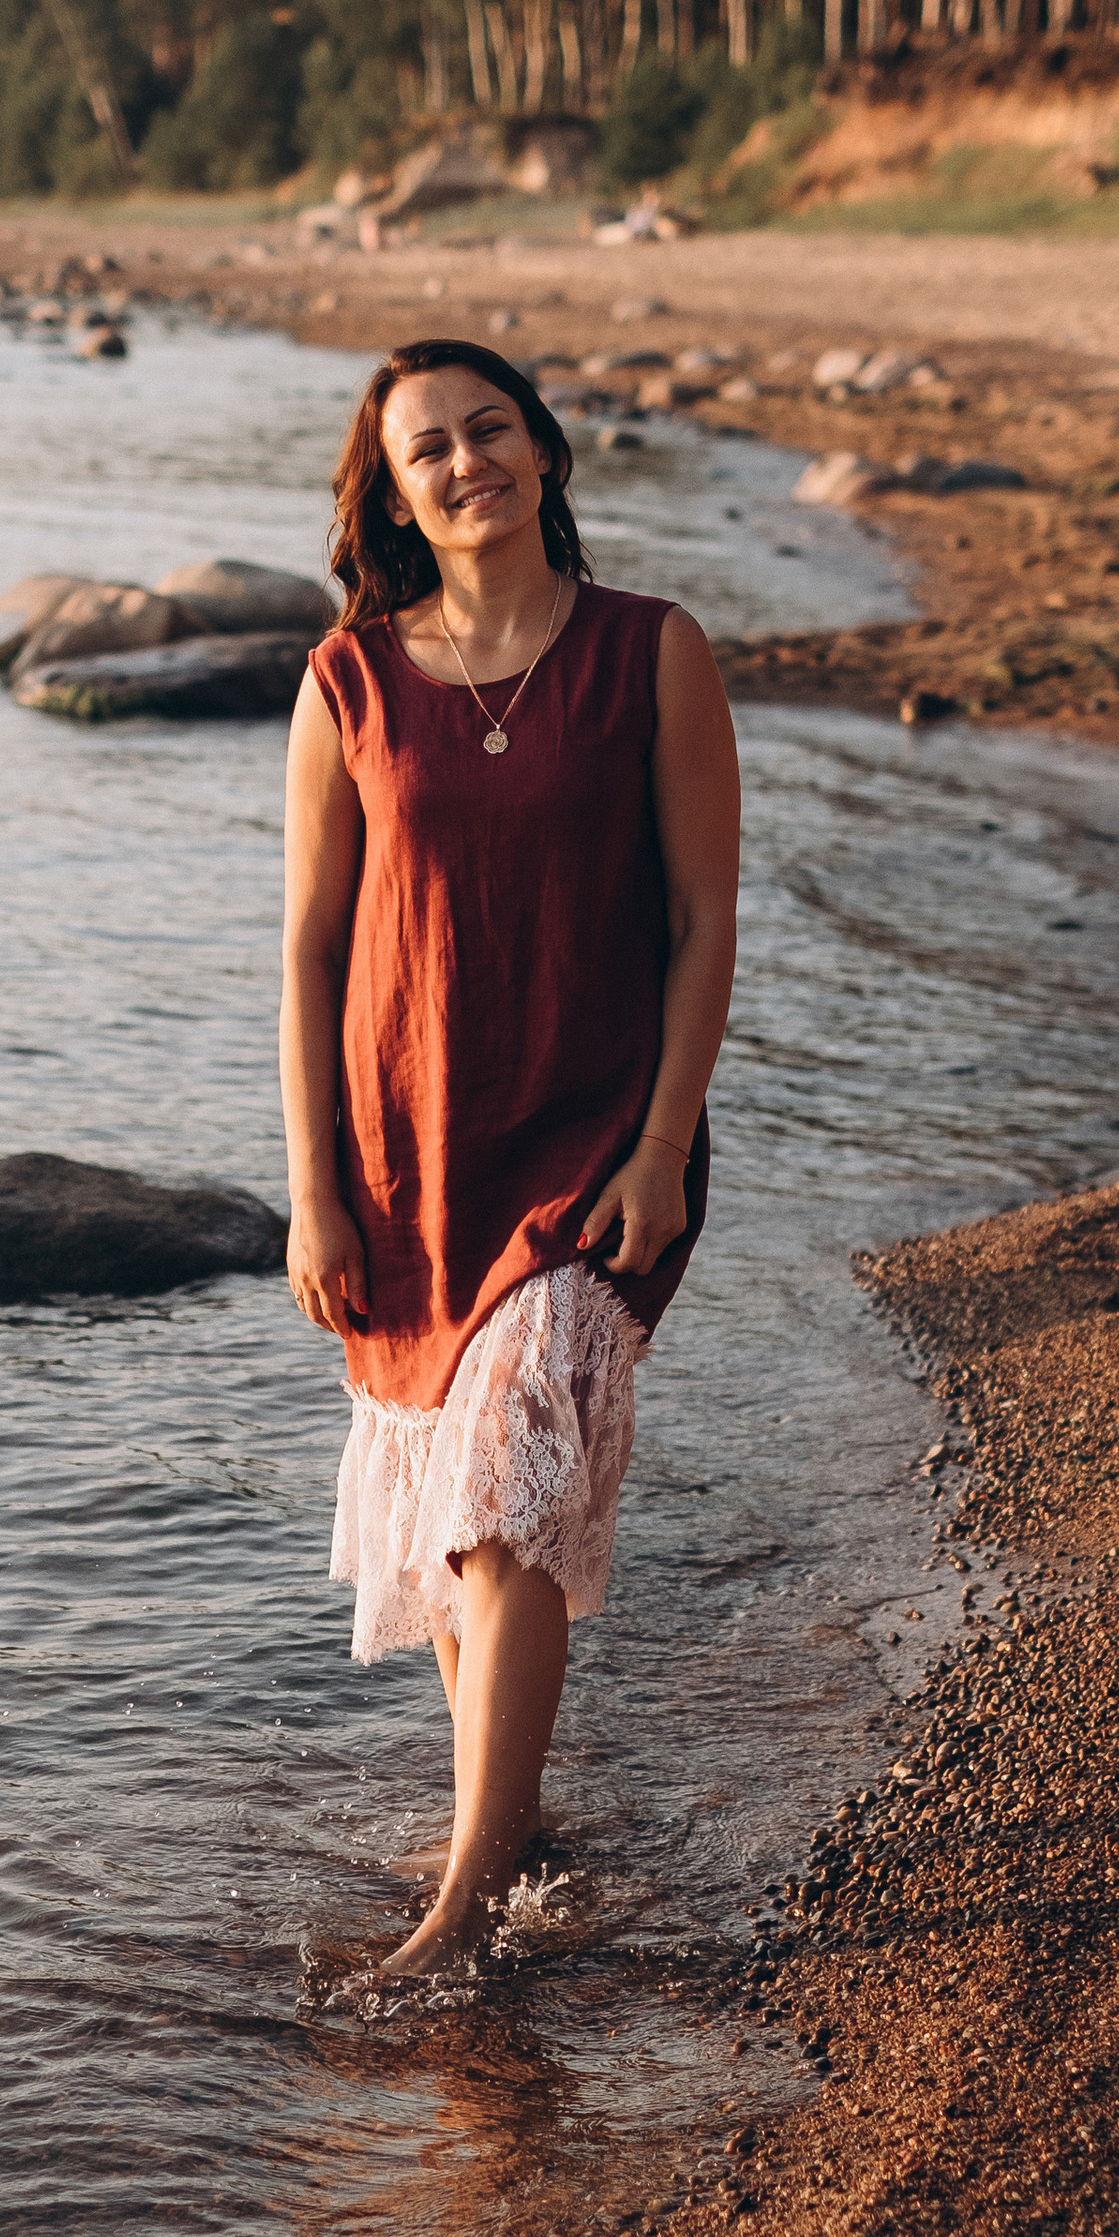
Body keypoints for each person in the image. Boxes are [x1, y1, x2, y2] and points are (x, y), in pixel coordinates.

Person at [279, 340, 740, 1978]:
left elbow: (702, 921)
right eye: (428, 450)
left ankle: (465, 1905)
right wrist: (316, 1185)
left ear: (543, 453)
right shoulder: (349, 683)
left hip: (595, 1142)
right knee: (449, 1516)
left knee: (502, 1506)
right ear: (395, 496)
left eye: (489, 431)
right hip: (407, 1157)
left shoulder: (651, 653)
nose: (465, 463)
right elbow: (312, 955)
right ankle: (512, 1818)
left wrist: (667, 1145)